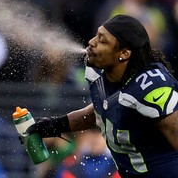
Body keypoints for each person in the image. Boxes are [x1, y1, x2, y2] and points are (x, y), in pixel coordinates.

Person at [27, 14, 178, 178]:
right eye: (97, 35)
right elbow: (104, 108)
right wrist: (57, 124)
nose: (92, 42)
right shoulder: (98, 71)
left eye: (102, 41)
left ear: (124, 53)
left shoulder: (149, 87)